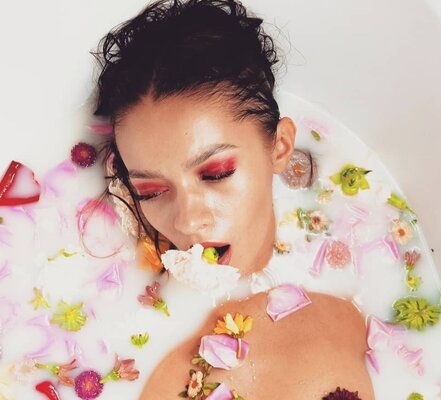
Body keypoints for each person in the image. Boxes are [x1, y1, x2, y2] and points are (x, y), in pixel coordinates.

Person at [93, 0, 375, 398]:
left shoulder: (344, 308)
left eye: (216, 174)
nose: (187, 220)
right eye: (151, 192)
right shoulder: (137, 338)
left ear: (279, 147)